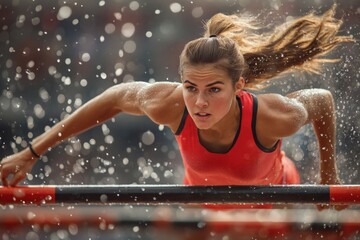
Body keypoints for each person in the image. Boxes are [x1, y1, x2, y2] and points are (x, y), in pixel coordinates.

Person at [0, 6, 354, 209]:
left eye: (214, 90)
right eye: (191, 88)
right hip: (202, 211)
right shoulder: (170, 104)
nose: (199, 103)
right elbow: (112, 98)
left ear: (239, 86)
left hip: (274, 204)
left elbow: (322, 100)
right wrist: (32, 152)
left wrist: (329, 177)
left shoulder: (272, 116)